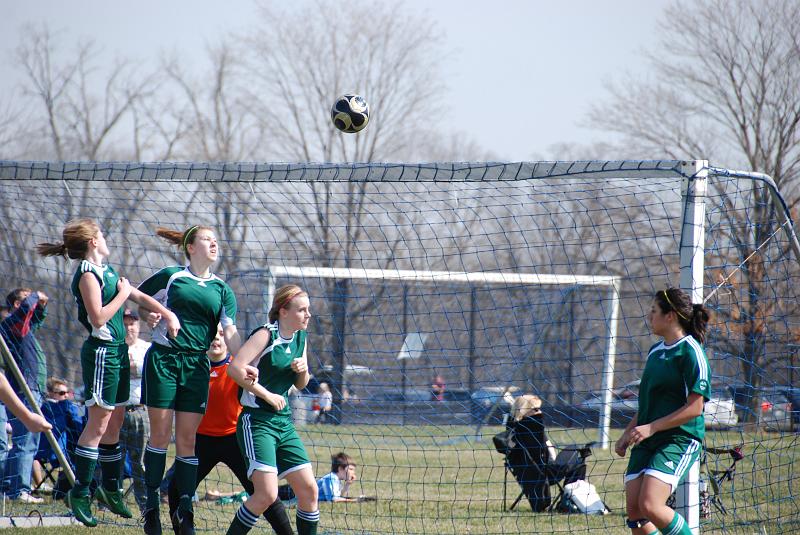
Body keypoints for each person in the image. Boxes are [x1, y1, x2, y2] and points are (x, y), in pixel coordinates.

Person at [38, 218, 181, 527]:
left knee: (114, 423)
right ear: (92, 241)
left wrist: (167, 313)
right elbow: (99, 317)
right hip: (102, 352)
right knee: (99, 425)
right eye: (101, 234)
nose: (105, 238)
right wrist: (123, 293)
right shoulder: (88, 274)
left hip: (117, 351)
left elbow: (135, 295)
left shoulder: (108, 271)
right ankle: (80, 492)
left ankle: (112, 488)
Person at [137, 225, 241, 535]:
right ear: (190, 247)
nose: (214, 244)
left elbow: (231, 332)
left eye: (216, 241)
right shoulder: (171, 276)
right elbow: (137, 297)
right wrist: (149, 316)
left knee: (187, 441)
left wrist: (248, 361)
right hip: (164, 360)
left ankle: (185, 512)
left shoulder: (222, 289)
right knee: (159, 436)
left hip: (196, 364)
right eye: (208, 239)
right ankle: (152, 509)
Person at [167, 326, 294, 535]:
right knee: (176, 489)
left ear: (229, 339)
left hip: (235, 440)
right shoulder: (194, 366)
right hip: (201, 441)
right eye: (211, 334)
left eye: (220, 333)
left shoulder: (238, 368)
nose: (216, 338)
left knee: (263, 492)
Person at [224, 284, 319, 535]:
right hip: (257, 422)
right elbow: (235, 369)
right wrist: (266, 395)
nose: (308, 314)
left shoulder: (301, 337)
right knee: (266, 494)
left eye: (308, 309)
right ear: (283, 311)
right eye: (302, 310)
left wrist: (303, 371)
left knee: (309, 490)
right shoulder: (266, 334)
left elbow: (301, 384)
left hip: (283, 423)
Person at [615, 288, 711, 535]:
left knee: (650, 504)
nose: (650, 316)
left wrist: (652, 427)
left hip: (678, 438)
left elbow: (695, 408)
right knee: (635, 510)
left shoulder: (691, 352)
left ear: (670, 316)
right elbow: (648, 404)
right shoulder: (655, 351)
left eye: (654, 311)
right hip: (648, 438)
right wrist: (628, 432)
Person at [0, 287, 49, 504]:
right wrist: (36, 296)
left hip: (32, 389)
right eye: (26, 298)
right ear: (17, 305)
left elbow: (35, 317)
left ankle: (11, 487)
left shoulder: (24, 328)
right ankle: (18, 490)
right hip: (24, 390)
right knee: (25, 441)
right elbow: (27, 311)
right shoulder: (11, 324)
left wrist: (42, 306)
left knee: (28, 441)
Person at [120, 308, 152, 514]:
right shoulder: (113, 346)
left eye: (132, 323)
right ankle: (107, 501)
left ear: (139, 326)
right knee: (111, 459)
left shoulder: (148, 348)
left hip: (141, 411)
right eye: (125, 324)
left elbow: (143, 370)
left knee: (140, 462)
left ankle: (145, 504)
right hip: (116, 410)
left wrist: (127, 367)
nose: (128, 327)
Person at [33, 376, 83, 495]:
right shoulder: (64, 408)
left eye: (67, 392)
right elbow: (78, 426)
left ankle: (43, 483)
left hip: (40, 451)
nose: (65, 396)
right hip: (57, 451)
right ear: (50, 393)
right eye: (61, 393)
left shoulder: (40, 408)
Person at [505, 394, 554, 512]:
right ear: (524, 410)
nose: (540, 412)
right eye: (536, 409)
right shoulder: (532, 428)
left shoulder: (515, 428)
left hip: (533, 470)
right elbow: (549, 455)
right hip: (543, 469)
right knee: (577, 463)